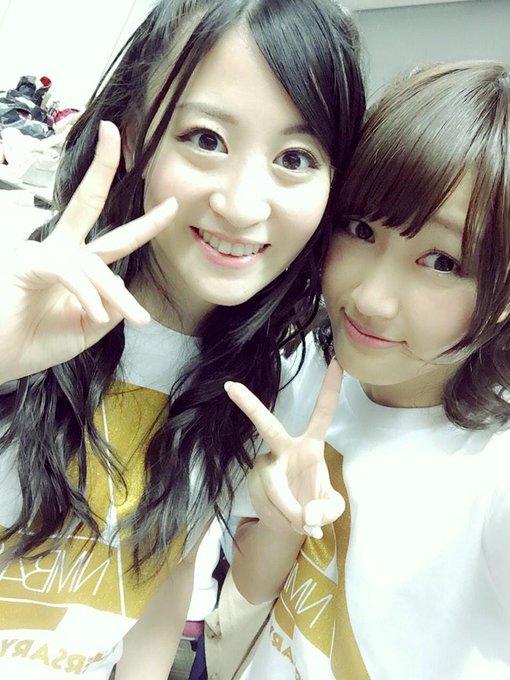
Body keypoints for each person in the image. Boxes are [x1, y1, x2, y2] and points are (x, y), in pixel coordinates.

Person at [0, 1, 365, 678]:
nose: (242, 204)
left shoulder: (266, 379)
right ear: (134, 136)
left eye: (294, 157)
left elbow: (159, 573)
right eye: (205, 138)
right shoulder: (20, 297)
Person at [222, 60, 510, 679]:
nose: (371, 299)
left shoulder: (491, 471)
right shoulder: (305, 372)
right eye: (360, 229)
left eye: (442, 261)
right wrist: (278, 517)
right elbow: (244, 604)